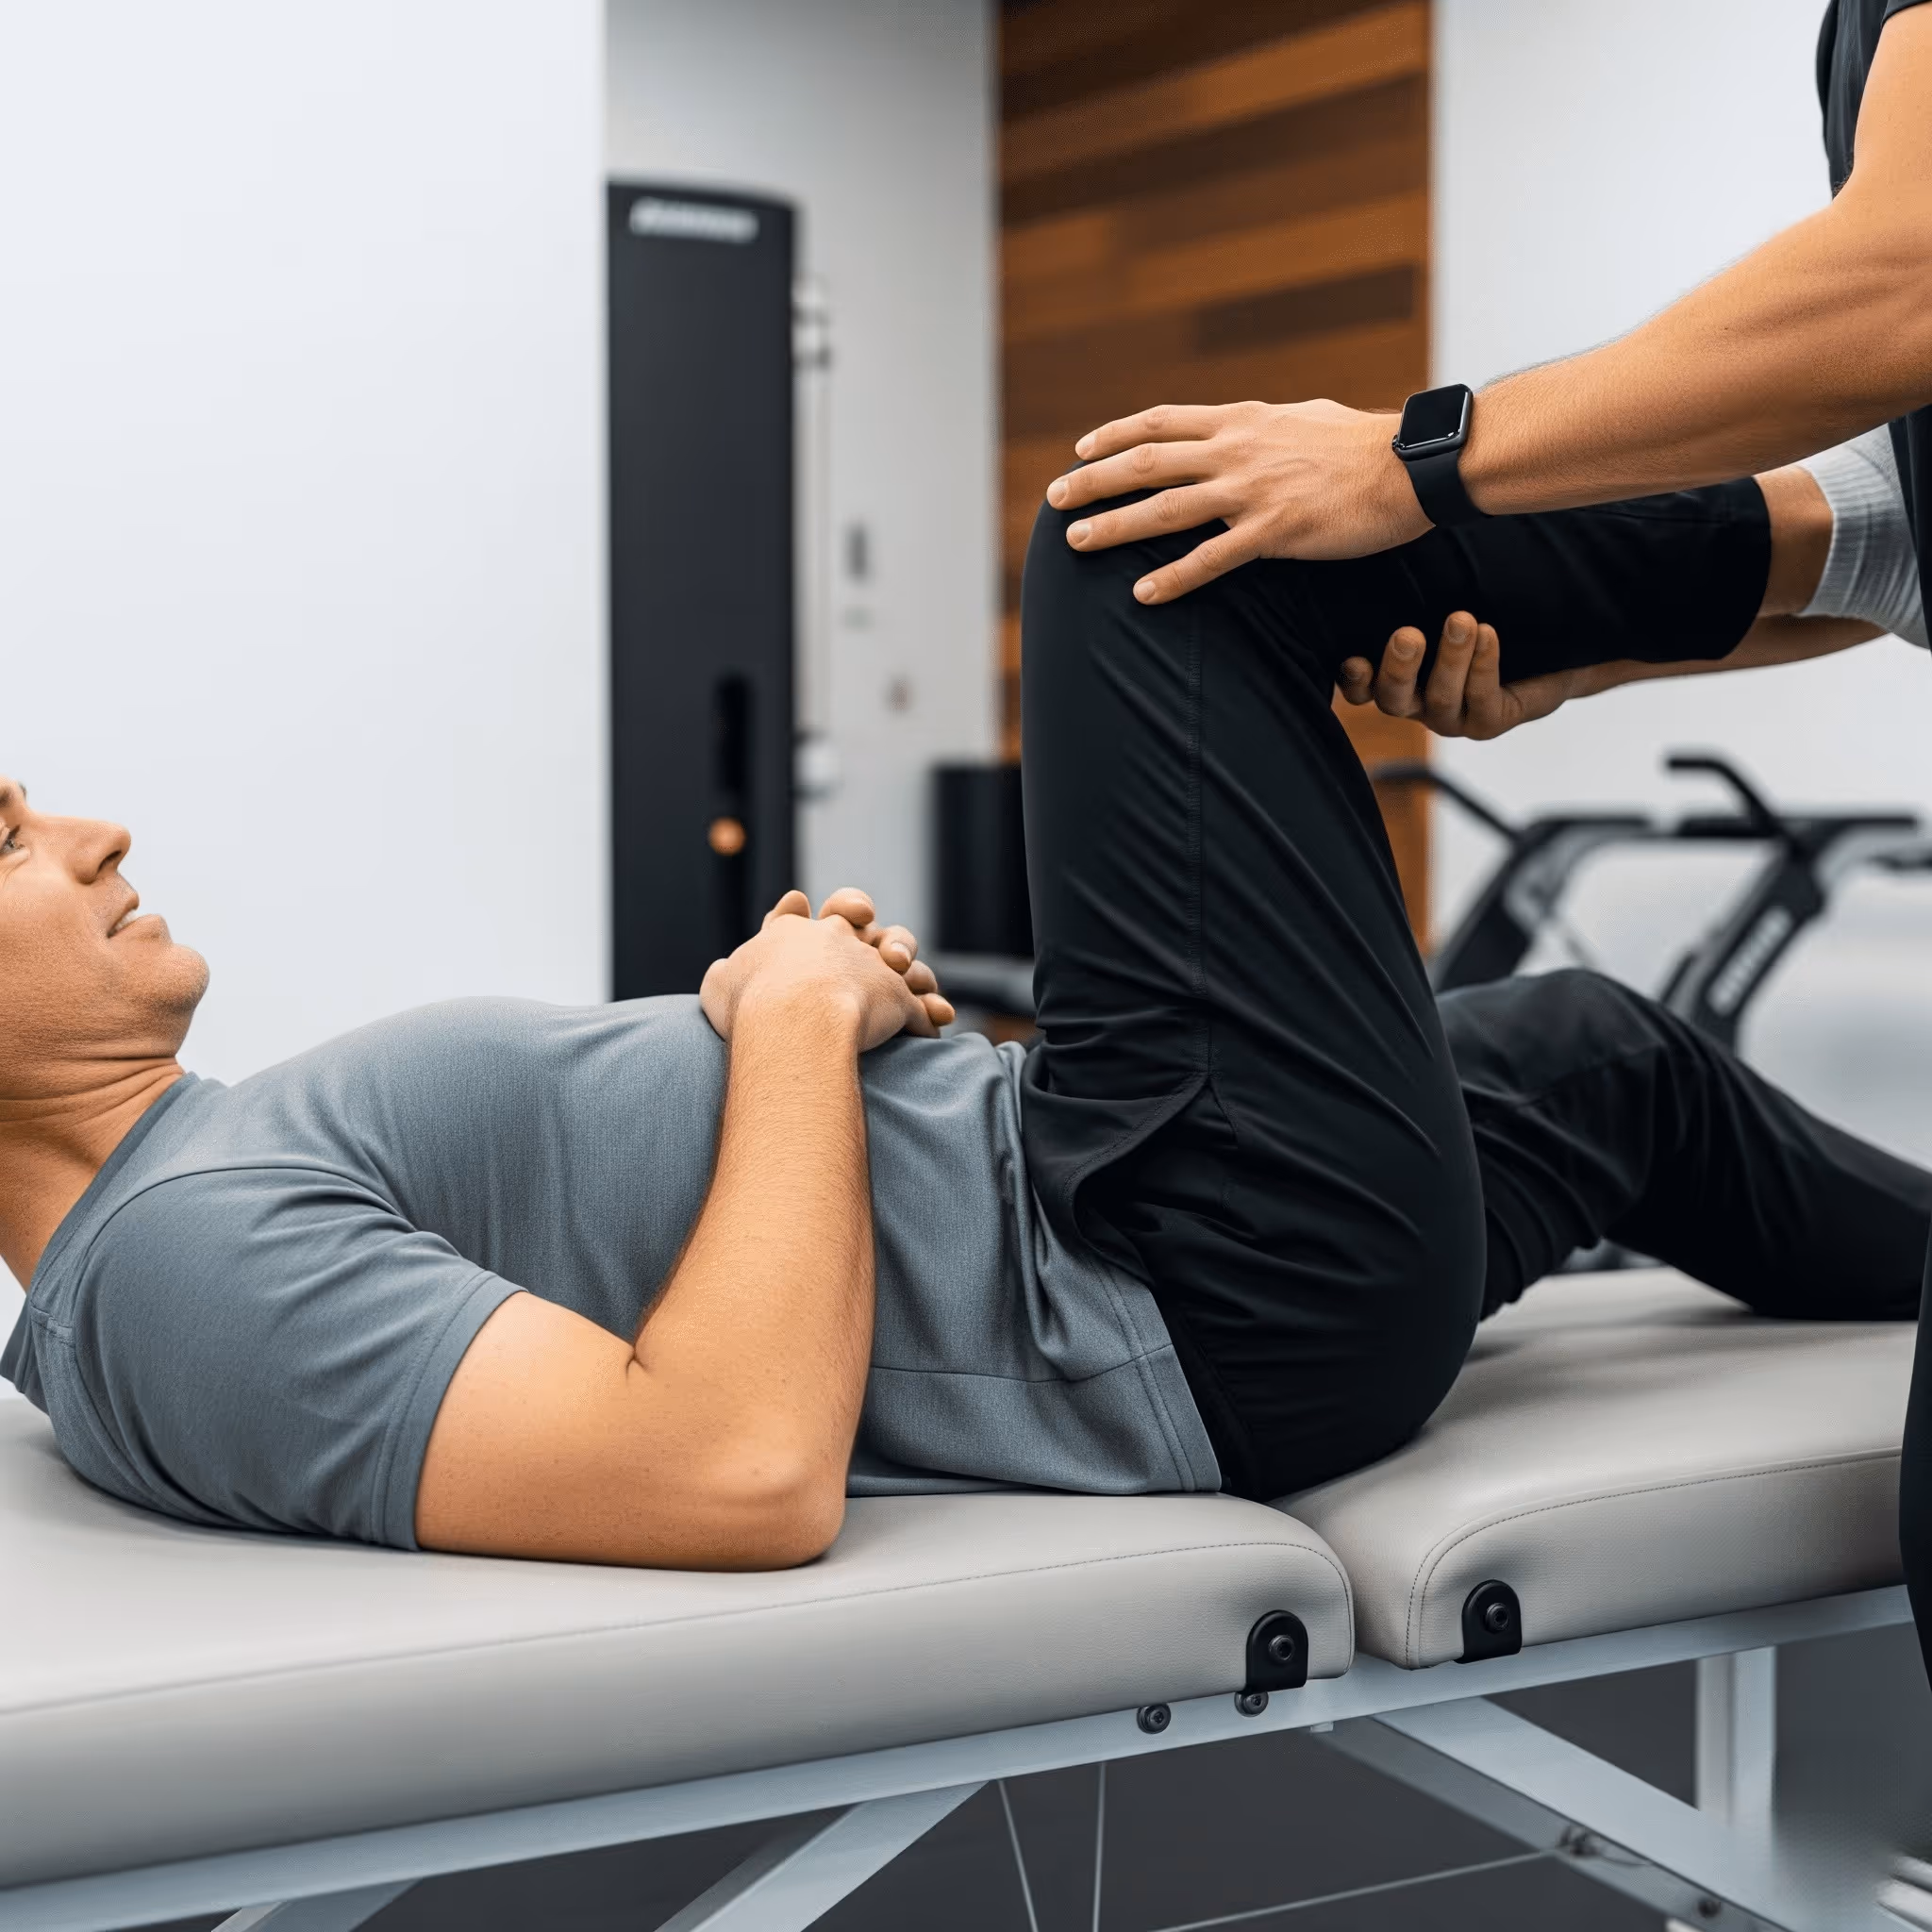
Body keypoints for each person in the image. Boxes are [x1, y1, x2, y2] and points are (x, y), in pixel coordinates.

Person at [5, 461, 1929, 1572]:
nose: (92, 832)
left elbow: (693, 1273)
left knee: (1599, 1048)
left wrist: (835, 1044)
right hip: (1192, 1284)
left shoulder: (182, 1207)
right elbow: (734, 1470)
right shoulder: (173, 1270)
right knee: (1143, 548)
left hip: (1129, 1225)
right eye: (8, 839)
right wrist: (785, 1026)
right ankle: (1867, 534)